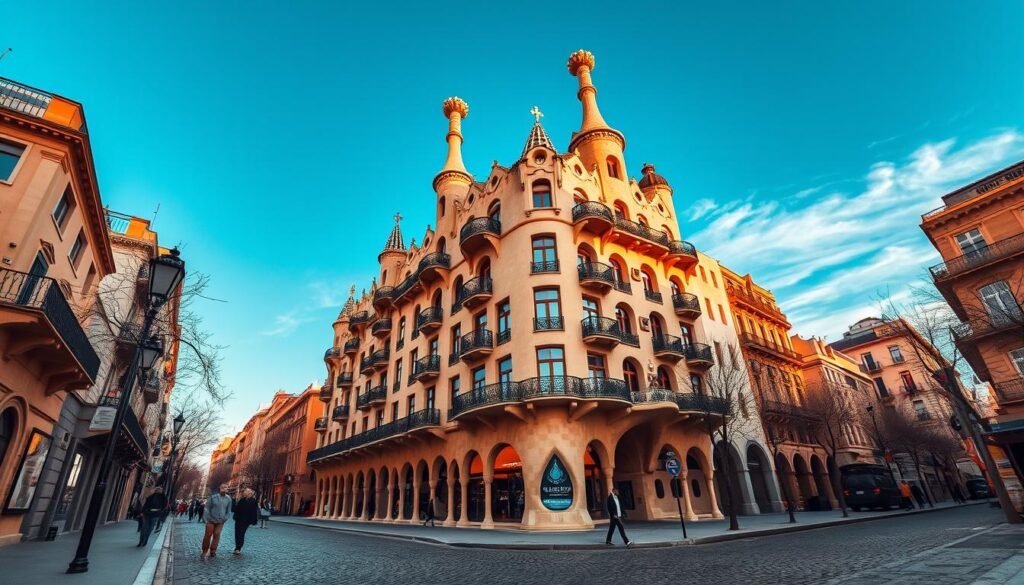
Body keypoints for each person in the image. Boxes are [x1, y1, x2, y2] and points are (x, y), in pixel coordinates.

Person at [201, 485, 233, 558]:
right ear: (220, 489)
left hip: (221, 521)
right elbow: (207, 508)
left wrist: (225, 519)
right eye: (222, 488)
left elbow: (229, 511)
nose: (224, 489)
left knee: (217, 534)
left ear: (227, 490)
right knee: (208, 535)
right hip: (210, 520)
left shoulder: (229, 499)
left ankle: (213, 550)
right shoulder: (213, 497)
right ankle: (204, 551)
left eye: (226, 488)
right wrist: (206, 518)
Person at [232, 488, 259, 555]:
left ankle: (238, 548)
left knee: (241, 533)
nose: (244, 492)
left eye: (246, 491)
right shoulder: (242, 500)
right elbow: (235, 509)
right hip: (238, 519)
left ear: (250, 493)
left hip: (246, 520)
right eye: (245, 491)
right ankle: (237, 546)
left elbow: (254, 512)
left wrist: (253, 520)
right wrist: (234, 500)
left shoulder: (253, 501)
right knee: (237, 533)